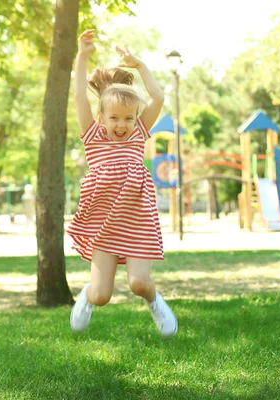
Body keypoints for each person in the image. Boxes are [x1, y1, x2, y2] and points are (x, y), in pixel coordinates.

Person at [67, 29, 177, 338]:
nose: (122, 125)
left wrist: (139, 65)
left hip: (137, 221)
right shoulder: (91, 136)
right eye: (115, 118)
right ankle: (87, 296)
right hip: (105, 223)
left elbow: (158, 97)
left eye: (128, 119)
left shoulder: (140, 133)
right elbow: (78, 95)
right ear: (101, 117)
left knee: (139, 284)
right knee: (102, 296)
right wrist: (82, 56)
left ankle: (155, 303)